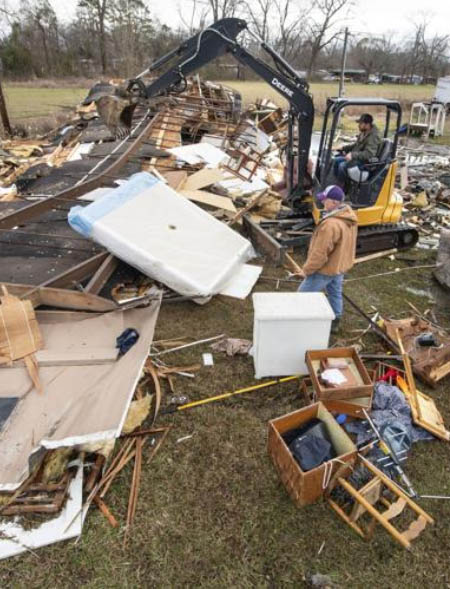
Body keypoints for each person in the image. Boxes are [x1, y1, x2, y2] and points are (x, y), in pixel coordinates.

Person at [296, 185, 357, 333]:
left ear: (335, 203)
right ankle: (335, 319)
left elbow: (320, 254)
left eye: (326, 200)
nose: (323, 203)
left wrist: (306, 270)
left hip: (326, 269)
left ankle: (297, 321)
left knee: (300, 296)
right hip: (339, 266)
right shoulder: (349, 217)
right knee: (335, 292)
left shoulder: (330, 225)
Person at [333, 113, 381, 186]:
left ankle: (341, 188)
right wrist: (343, 148)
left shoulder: (373, 136)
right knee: (336, 160)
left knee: (342, 166)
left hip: (366, 163)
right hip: (357, 158)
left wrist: (352, 154)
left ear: (367, 125)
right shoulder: (364, 132)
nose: (358, 125)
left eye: (361, 123)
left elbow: (369, 154)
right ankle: (337, 184)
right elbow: (356, 145)